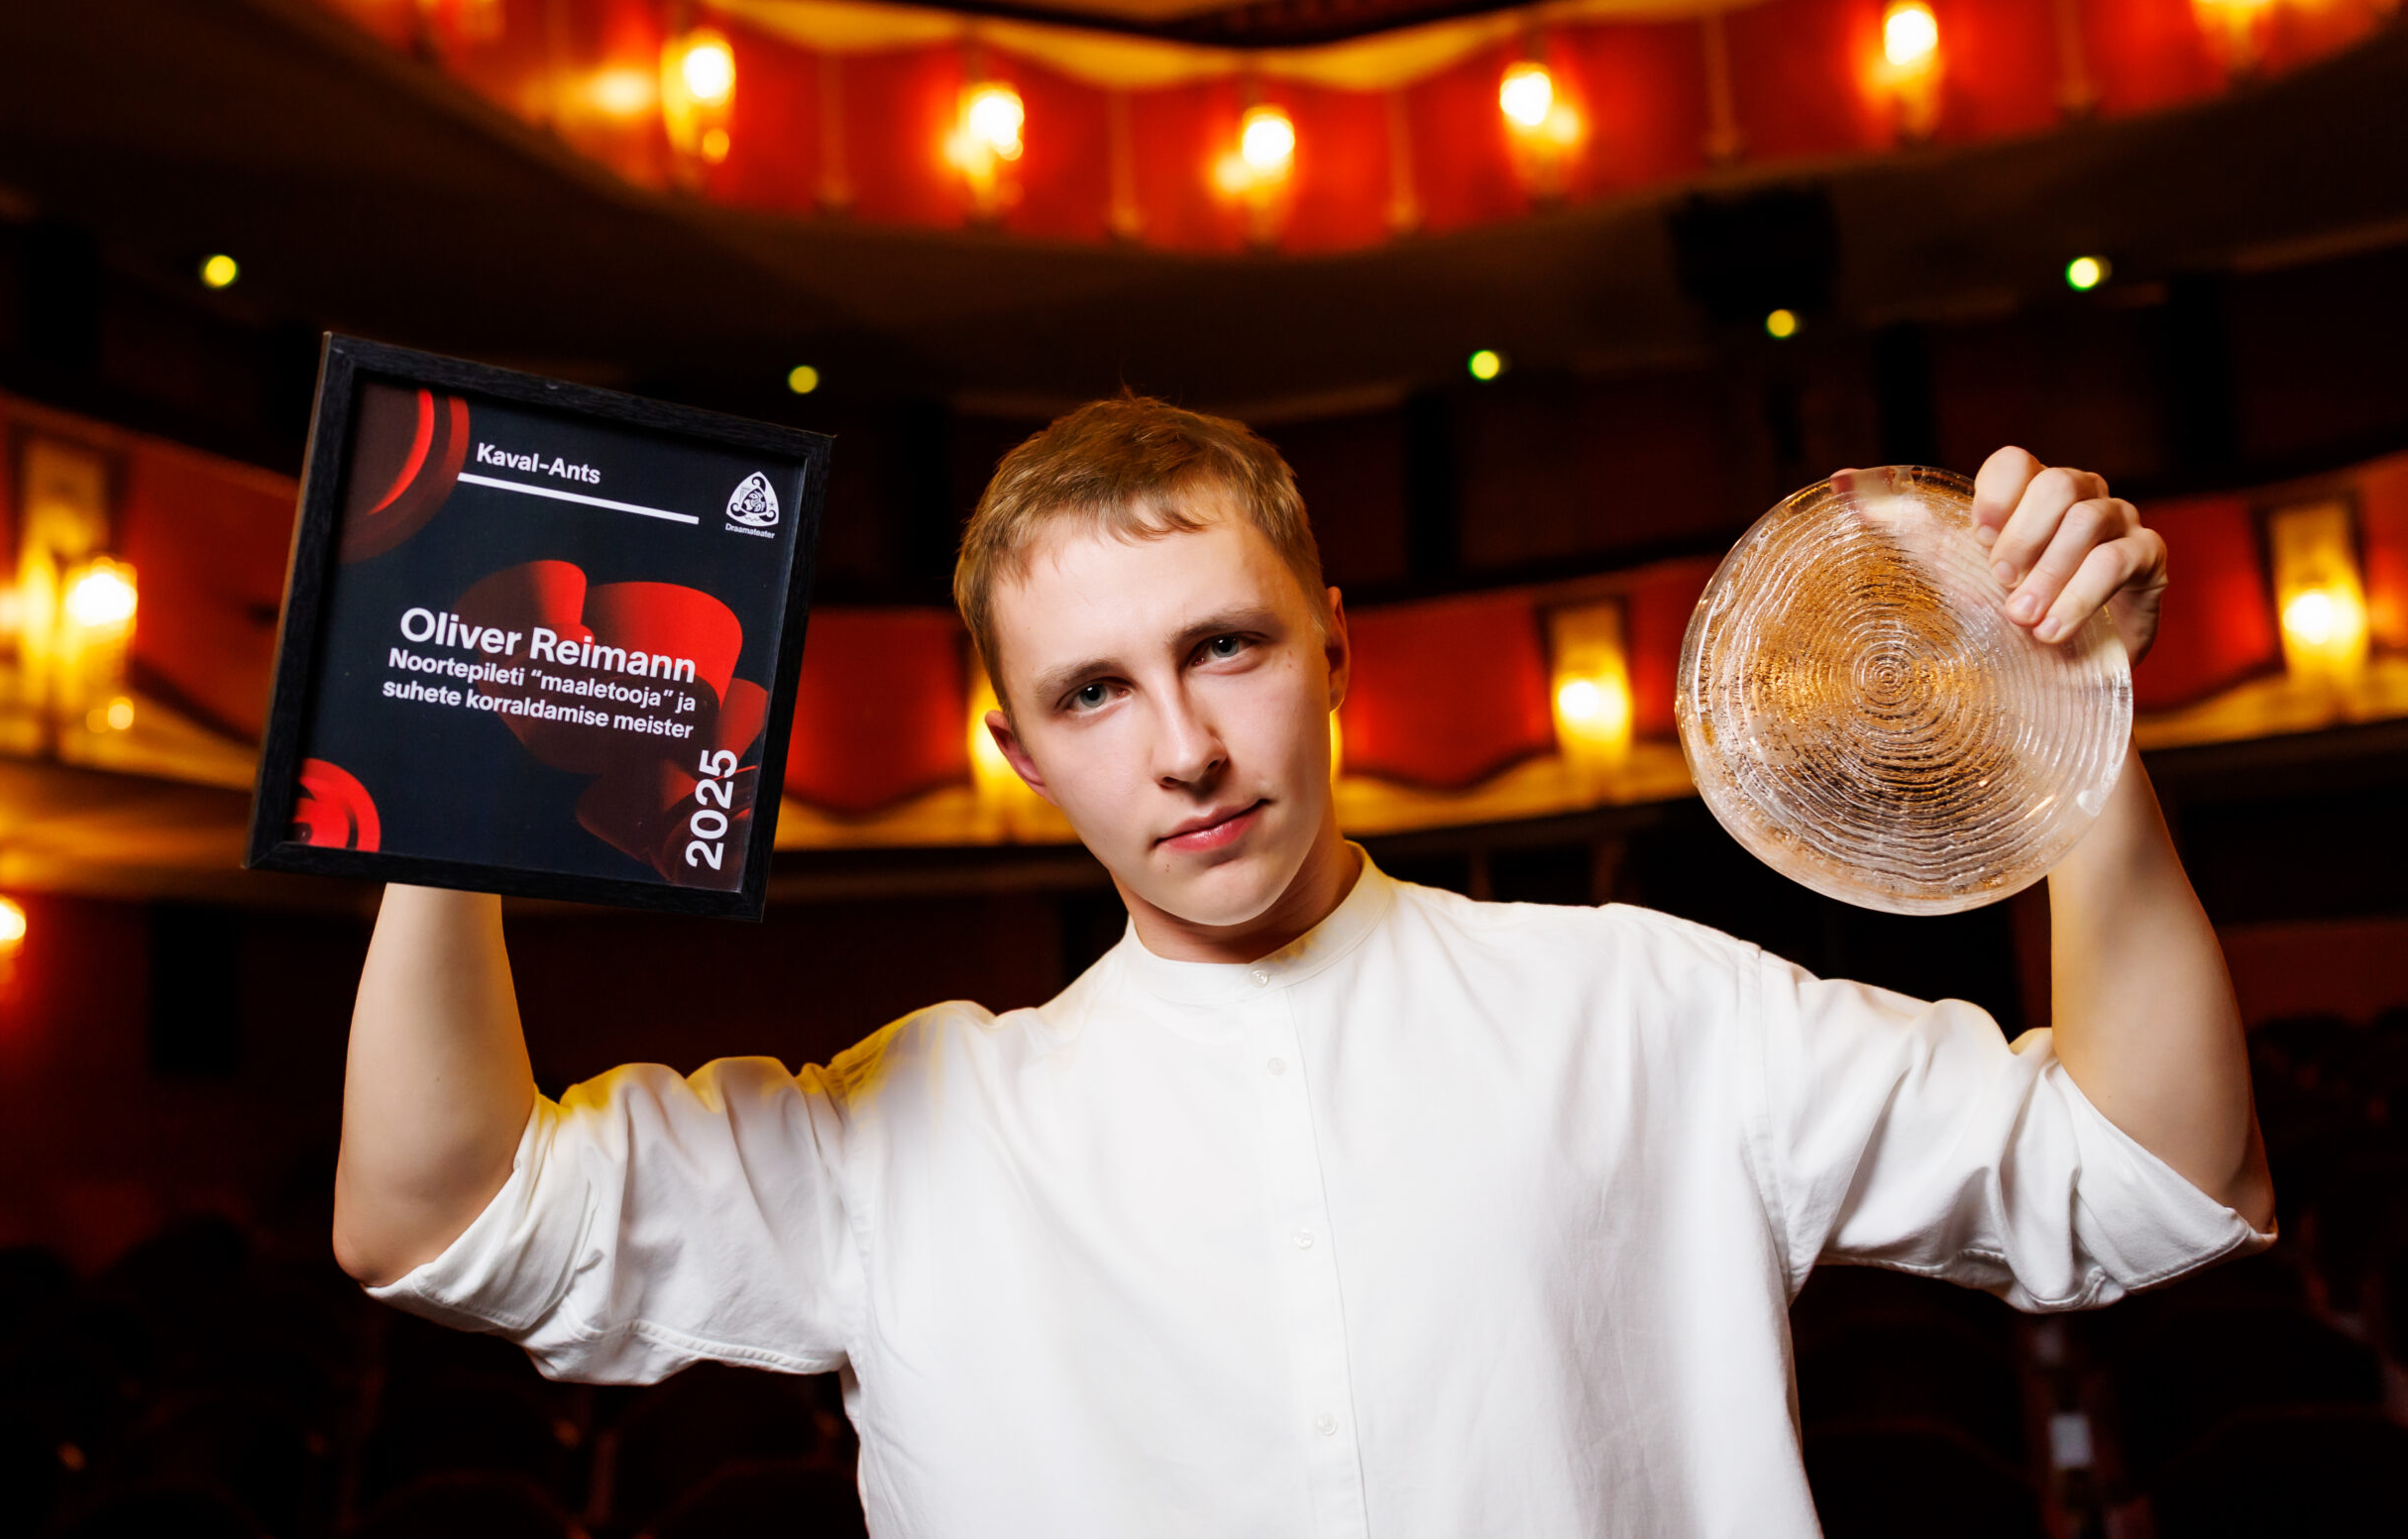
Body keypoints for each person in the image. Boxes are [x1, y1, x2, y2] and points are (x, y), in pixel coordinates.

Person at [332, 397, 2274, 1538]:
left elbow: (2155, 1178)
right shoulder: (903, 1131)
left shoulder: (1647, 1007)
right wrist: (445, 785)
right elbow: (436, 1217)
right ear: (1018, 751)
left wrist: (2071, 714)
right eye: (1093, 691)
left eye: (1225, 647)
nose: (1182, 747)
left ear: (1334, 644)